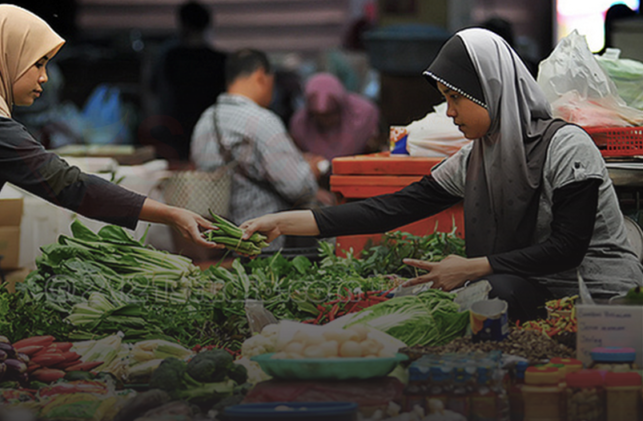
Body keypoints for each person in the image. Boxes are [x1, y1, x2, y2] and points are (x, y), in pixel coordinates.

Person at [240, 28, 643, 322]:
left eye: (457, 98)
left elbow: (567, 248)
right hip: (542, 292)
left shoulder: (566, 147)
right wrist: (284, 221)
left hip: (604, 300)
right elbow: (392, 208)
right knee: (490, 293)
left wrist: (473, 266)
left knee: (491, 287)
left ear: (492, 88)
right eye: (446, 100)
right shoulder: (476, 158)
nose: (450, 112)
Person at [0, 4, 218, 305]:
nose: (43, 78)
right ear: (6, 56)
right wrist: (171, 214)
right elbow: (68, 185)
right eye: (37, 64)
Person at [190, 48, 328, 250]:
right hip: (264, 245)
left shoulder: (205, 121)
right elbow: (299, 187)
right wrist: (312, 170)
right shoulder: (262, 121)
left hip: (221, 242)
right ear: (261, 76)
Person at [148, 1, 226, 161]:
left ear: (183, 24)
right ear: (207, 24)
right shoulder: (219, 60)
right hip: (211, 132)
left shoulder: (169, 57)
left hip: (174, 130)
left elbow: (153, 89)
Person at [289, 72, 380, 163]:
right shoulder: (300, 124)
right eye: (318, 116)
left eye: (330, 114)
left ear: (340, 107)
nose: (325, 121)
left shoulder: (364, 116)